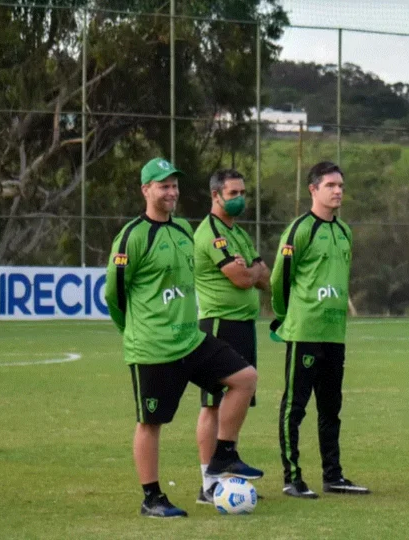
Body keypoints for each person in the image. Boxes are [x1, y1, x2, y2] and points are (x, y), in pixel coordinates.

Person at [104, 158, 261, 518]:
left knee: (245, 378)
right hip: (153, 346)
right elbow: (115, 294)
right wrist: (133, 331)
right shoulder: (132, 236)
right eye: (164, 186)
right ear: (146, 190)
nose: (172, 192)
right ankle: (152, 497)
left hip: (191, 339)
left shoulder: (184, 230)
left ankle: (224, 455)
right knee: (151, 422)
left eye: (175, 185)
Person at [271, 161, 369, 498]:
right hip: (305, 332)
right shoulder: (300, 230)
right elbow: (279, 279)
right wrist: (287, 316)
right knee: (294, 407)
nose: (338, 191)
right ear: (313, 189)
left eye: (341, 185)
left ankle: (334, 476)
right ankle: (292, 477)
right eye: (330, 185)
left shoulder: (344, 232)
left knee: (331, 408)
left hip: (334, 334)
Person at [192, 169, 270, 504]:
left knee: (234, 403)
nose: (240, 198)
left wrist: (251, 272)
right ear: (216, 195)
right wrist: (251, 272)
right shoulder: (211, 232)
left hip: (244, 324)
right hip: (219, 324)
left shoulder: (238, 233)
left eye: (242, 192)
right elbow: (241, 278)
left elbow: (262, 276)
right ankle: (208, 483)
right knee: (213, 405)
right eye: (233, 193)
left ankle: (225, 475)